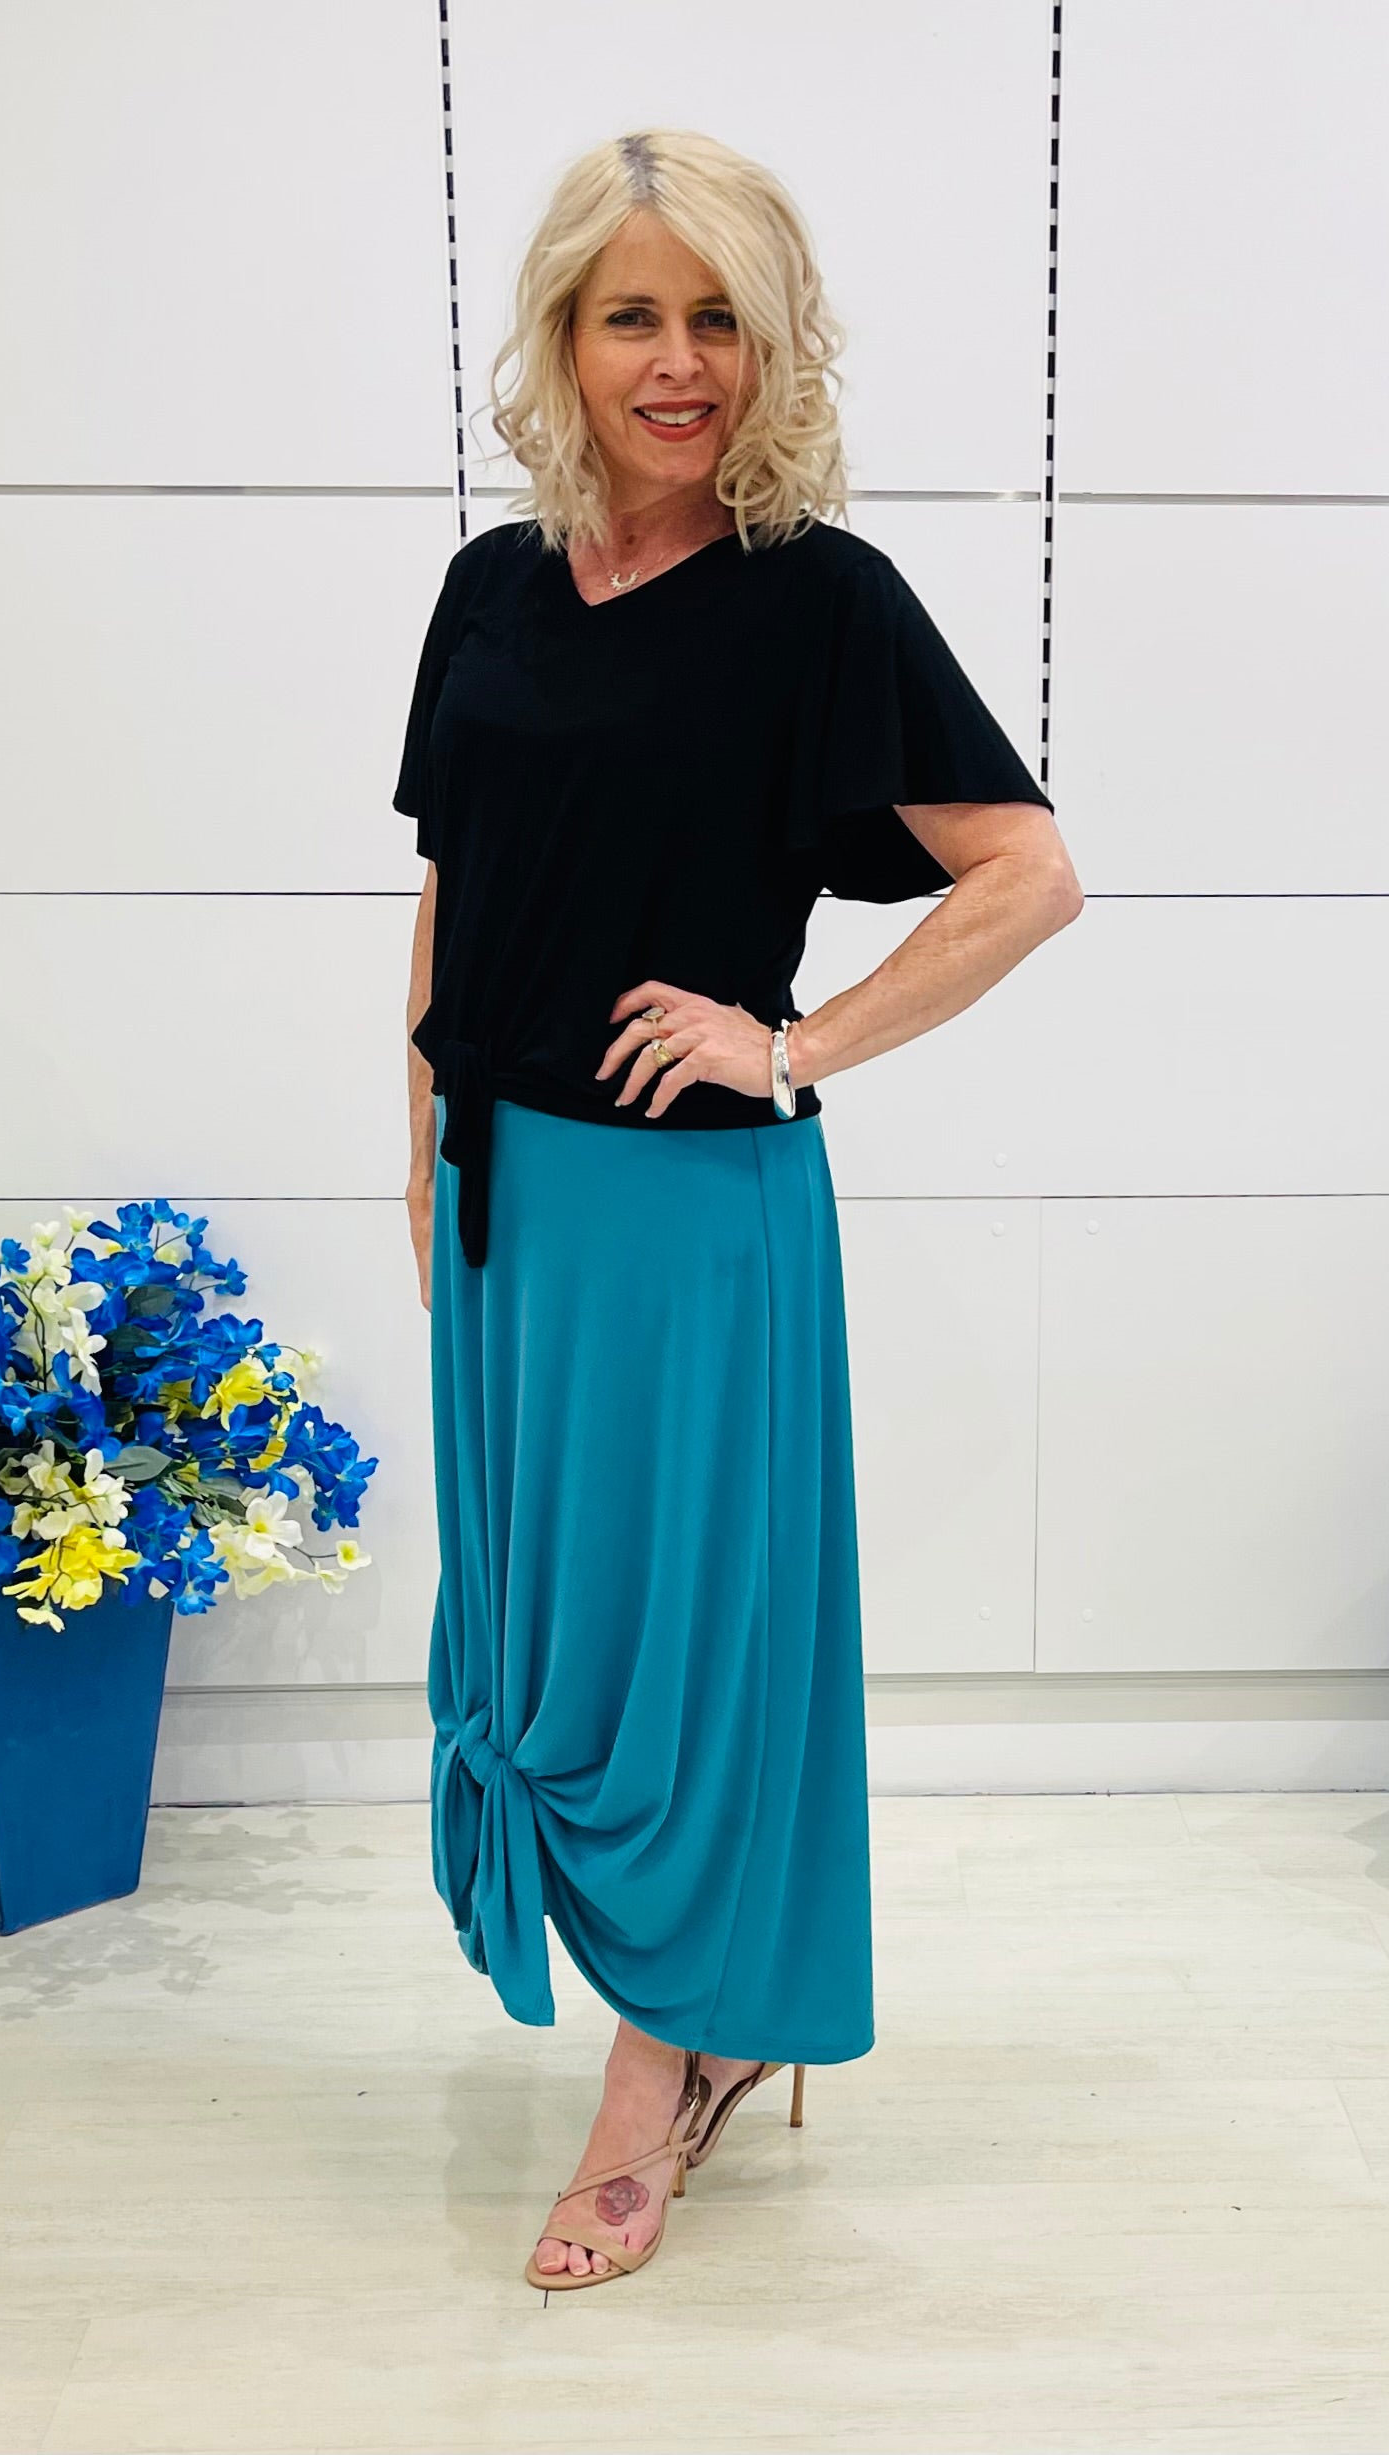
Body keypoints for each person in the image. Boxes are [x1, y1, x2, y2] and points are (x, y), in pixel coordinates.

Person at [393, 127, 1081, 2293]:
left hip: (693, 1224)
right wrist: (415, 1143)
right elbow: (450, 890)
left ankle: (659, 2068)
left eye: (718, 320)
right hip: (501, 1199)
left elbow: (1027, 874)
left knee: (676, 1652)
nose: (676, 363)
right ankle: (688, 2026)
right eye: (633, 317)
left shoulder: (815, 600)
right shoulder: (491, 588)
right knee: (542, 1632)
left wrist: (793, 1042)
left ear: (774, 348)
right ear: (563, 338)